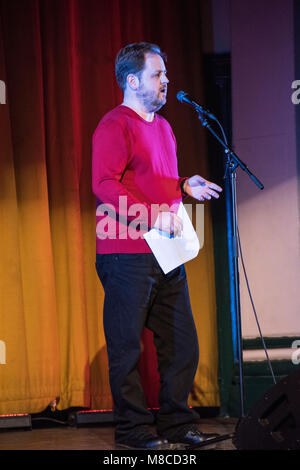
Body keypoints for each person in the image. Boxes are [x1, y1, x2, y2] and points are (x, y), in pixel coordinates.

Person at [92, 42, 222, 450]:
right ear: (132, 81)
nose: (166, 81)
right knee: (127, 346)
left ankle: (176, 424)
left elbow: (155, 181)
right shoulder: (115, 124)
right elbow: (105, 184)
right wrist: (149, 216)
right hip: (125, 252)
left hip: (166, 251)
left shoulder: (163, 127)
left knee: (182, 341)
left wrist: (184, 185)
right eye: (157, 74)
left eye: (165, 74)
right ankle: (132, 431)